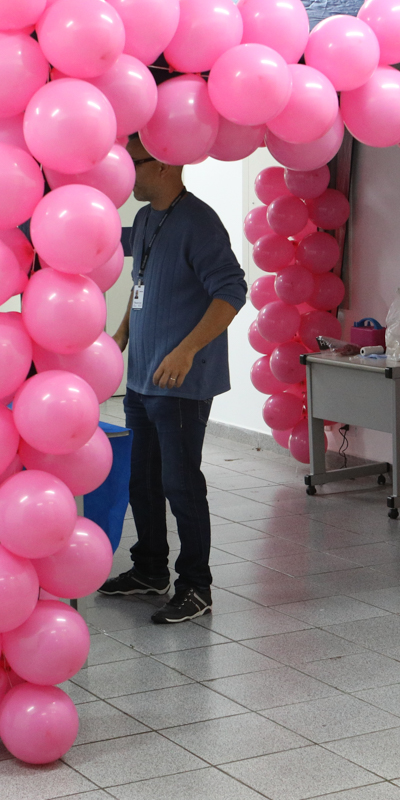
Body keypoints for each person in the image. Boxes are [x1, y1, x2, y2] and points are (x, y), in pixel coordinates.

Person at [101, 135, 246, 624]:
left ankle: (196, 586)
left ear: (162, 163)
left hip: (181, 382)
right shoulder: (144, 219)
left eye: (132, 163)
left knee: (180, 483)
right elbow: (140, 283)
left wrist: (187, 349)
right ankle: (149, 568)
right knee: (141, 480)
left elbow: (231, 291)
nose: (126, 174)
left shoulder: (198, 222)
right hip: (142, 379)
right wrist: (122, 332)